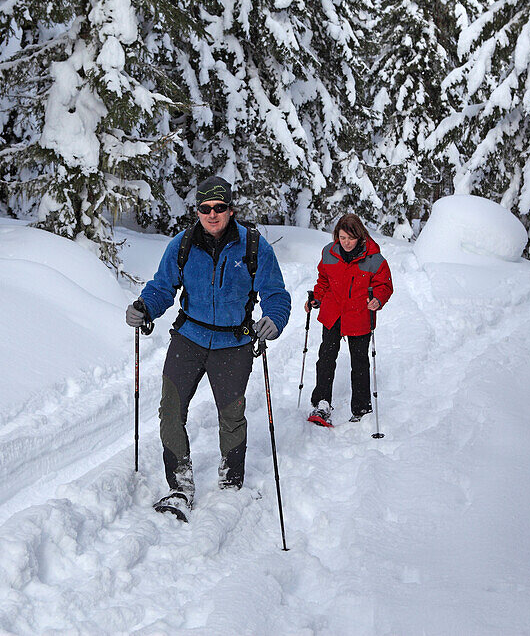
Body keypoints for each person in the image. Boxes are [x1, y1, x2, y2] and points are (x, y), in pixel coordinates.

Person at [125, 176, 291, 516]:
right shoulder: (182, 245)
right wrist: (144, 306)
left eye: (218, 208)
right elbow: (162, 287)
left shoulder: (254, 247)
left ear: (230, 210)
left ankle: (231, 481)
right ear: (197, 210)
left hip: (234, 342)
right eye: (205, 208)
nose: (212, 215)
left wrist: (274, 319)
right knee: (170, 412)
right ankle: (179, 485)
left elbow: (276, 294)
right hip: (189, 338)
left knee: (230, 415)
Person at [306, 214, 393, 426]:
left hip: (359, 315)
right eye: (342, 237)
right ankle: (322, 403)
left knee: (359, 362)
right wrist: (316, 298)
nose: (345, 242)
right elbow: (323, 280)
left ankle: (361, 407)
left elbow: (384, 285)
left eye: (350, 238)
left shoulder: (374, 259)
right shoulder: (329, 253)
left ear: (360, 237)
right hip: (333, 312)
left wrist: (378, 300)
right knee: (326, 358)